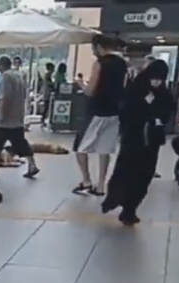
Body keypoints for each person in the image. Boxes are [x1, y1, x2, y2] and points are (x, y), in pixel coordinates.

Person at [102, 60, 174, 225]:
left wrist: (155, 118)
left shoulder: (164, 94)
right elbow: (126, 110)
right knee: (126, 170)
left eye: (160, 78)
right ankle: (116, 198)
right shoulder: (135, 89)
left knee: (145, 175)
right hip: (133, 137)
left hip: (151, 141)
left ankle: (130, 208)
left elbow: (167, 112)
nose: (157, 81)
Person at [72, 34, 127, 195]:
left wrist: (81, 83)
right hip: (114, 112)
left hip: (97, 111)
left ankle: (87, 180)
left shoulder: (99, 64)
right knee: (105, 149)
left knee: (80, 148)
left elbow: (91, 91)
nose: (93, 52)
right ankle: (101, 185)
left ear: (99, 47)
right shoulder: (122, 63)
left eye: (93, 48)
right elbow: (122, 86)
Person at [0, 55, 39, 179]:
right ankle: (32, 165)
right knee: (21, 143)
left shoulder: (6, 77)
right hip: (17, 117)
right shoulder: (18, 75)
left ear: (0, 65)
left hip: (5, 119)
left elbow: (4, 97)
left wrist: (0, 115)